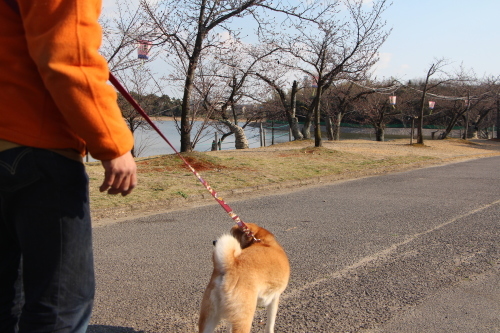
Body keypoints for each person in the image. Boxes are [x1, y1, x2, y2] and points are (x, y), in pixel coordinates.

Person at [0, 1, 137, 332]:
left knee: (6, 300)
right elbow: (68, 56)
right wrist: (114, 144)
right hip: (37, 149)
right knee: (60, 305)